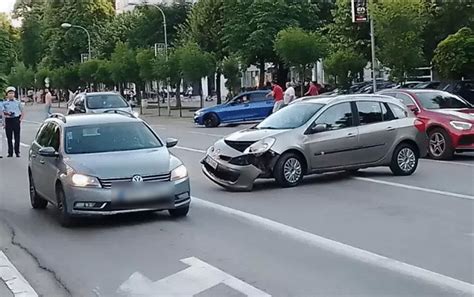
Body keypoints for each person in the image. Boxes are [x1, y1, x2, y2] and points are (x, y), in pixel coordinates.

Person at [2, 87, 24, 158]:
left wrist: (20, 119)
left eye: (12, 93)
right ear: (7, 95)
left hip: (16, 120)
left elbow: (22, 111)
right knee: (9, 137)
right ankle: (10, 152)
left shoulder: (18, 102)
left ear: (14, 94)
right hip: (8, 121)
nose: (11, 95)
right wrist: (6, 115)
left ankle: (17, 152)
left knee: (17, 137)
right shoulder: (4, 103)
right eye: (9, 93)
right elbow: (2, 112)